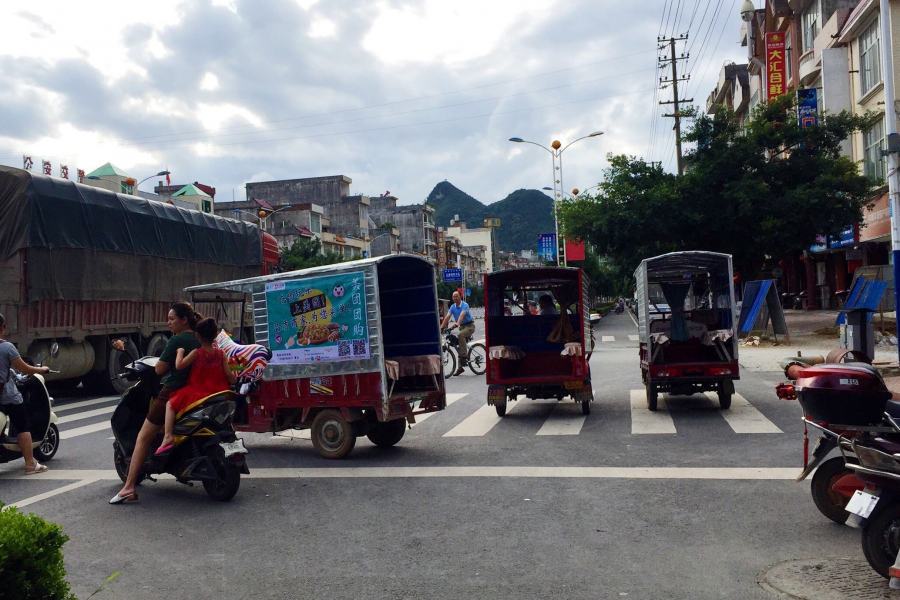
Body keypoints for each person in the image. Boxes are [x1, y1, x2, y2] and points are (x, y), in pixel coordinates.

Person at [110, 301, 201, 505]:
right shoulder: (199, 338)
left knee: (142, 437)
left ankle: (129, 487)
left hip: (172, 391)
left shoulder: (177, 341)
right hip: (197, 392)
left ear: (183, 320)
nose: (168, 322)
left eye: (171, 319)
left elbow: (159, 369)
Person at [157, 318, 235, 453]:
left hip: (197, 392)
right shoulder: (221, 354)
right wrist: (235, 378)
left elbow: (179, 365)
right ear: (216, 335)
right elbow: (229, 376)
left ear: (197, 335)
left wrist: (180, 352)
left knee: (170, 404)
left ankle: (168, 435)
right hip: (218, 392)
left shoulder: (197, 353)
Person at [0, 313, 51, 474]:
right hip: (6, 395)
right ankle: (30, 463)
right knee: (23, 425)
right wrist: (41, 370)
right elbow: (24, 369)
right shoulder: (6, 347)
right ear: (3, 328)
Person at [440, 291, 475, 376]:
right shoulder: (452, 307)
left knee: (460, 335)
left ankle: (464, 354)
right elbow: (447, 317)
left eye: (456, 296)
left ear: (460, 296)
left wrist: (457, 324)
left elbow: (462, 315)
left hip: (469, 326)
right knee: (458, 345)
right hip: (462, 327)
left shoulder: (465, 305)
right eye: (453, 297)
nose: (455, 298)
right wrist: (441, 327)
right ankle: (460, 368)